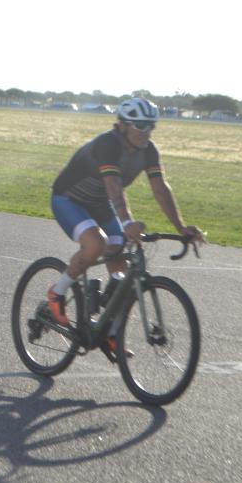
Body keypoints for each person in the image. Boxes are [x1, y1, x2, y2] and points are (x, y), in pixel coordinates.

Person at [46, 97, 205, 360]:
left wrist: (181, 227)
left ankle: (110, 332)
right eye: (141, 125)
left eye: (151, 126)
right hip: (68, 198)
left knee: (120, 262)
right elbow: (113, 185)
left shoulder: (149, 150)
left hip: (99, 203)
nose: (147, 132)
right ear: (123, 125)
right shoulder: (108, 143)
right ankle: (57, 291)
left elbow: (160, 188)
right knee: (96, 244)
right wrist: (128, 222)